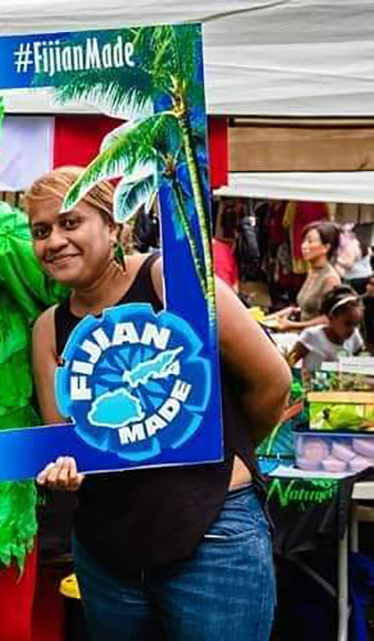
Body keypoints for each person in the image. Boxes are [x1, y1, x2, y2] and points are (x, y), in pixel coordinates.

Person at [28, 167, 290, 641]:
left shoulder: (171, 277)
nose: (54, 241)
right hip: (107, 553)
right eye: (41, 231)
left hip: (214, 535)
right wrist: (65, 471)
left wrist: (218, 450)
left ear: (114, 226)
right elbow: (64, 440)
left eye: (71, 222)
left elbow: (272, 381)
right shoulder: (48, 328)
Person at [271, 220, 341, 332]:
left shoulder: (330, 279)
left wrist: (293, 325)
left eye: (310, 241)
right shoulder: (312, 271)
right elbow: (306, 308)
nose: (303, 246)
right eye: (304, 241)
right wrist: (274, 317)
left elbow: (328, 319)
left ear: (325, 248)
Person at [287, 285, 364, 382]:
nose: (352, 329)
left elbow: (362, 367)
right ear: (331, 318)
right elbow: (288, 364)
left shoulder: (354, 337)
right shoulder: (311, 336)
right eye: (348, 323)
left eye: (356, 324)